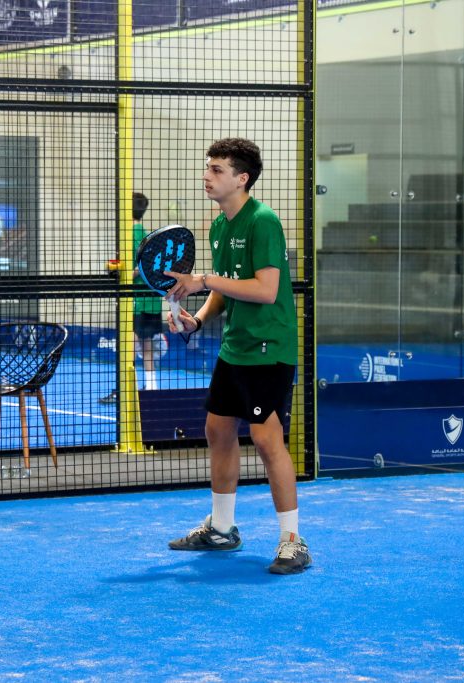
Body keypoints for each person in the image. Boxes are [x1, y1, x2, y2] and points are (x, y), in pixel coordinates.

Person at [163, 137, 309, 575]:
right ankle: (223, 529)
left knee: (266, 440)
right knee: (218, 430)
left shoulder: (263, 222)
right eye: (207, 167)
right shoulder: (219, 226)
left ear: (242, 178)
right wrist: (198, 319)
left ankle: (292, 540)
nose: (206, 176)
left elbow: (265, 290)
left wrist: (203, 280)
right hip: (235, 348)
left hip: (269, 348)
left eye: (217, 170)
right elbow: (227, 287)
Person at [100, 192, 161, 404]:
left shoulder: (130, 234)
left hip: (137, 299)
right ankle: (151, 386)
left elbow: (137, 268)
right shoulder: (145, 233)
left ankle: (125, 390)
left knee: (129, 343)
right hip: (150, 298)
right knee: (145, 343)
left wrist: (120, 273)